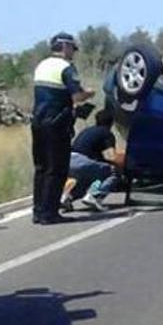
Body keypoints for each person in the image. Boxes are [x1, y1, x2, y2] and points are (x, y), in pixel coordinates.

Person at [31, 32, 95, 224]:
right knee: (57, 168)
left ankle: (38, 211)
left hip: (38, 122)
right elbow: (76, 96)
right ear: (65, 47)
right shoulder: (66, 68)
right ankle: (50, 213)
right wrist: (89, 93)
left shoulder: (42, 65)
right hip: (57, 123)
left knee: (41, 168)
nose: (73, 53)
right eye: (72, 49)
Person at [62, 109, 125, 212]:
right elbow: (111, 157)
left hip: (68, 160)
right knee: (113, 172)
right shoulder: (106, 133)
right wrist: (123, 164)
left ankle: (67, 198)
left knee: (86, 179)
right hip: (82, 162)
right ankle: (95, 195)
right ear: (111, 122)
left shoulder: (87, 130)